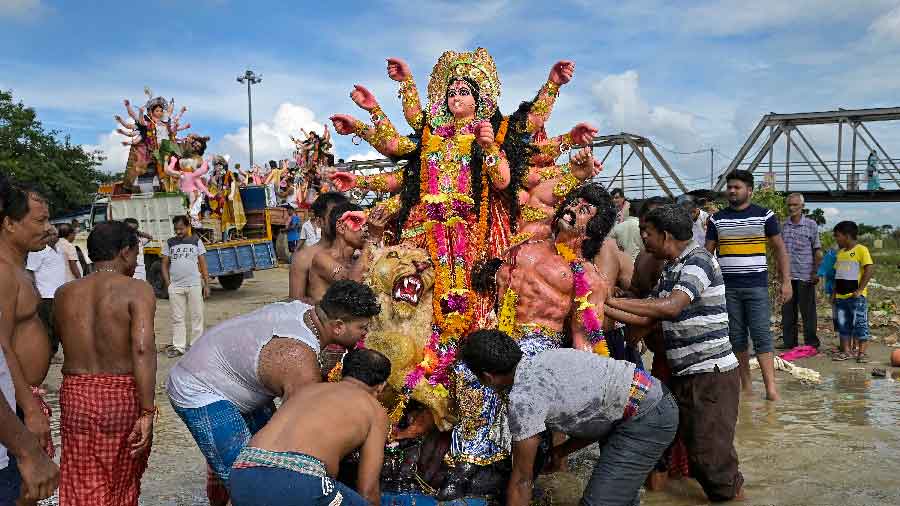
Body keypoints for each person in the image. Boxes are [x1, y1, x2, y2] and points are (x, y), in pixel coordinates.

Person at [448, 183, 617, 498]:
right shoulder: (530, 235)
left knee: (519, 384)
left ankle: (510, 472)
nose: (573, 208)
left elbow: (586, 336)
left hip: (540, 341)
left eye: (584, 210)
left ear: (593, 230)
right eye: (574, 201)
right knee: (463, 371)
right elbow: (537, 191)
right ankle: (466, 464)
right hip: (500, 327)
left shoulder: (587, 277)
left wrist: (588, 385)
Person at [166, 280, 380, 503]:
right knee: (247, 475)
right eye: (361, 328)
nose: (364, 335)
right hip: (199, 387)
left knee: (267, 457)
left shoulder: (304, 308)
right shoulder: (301, 364)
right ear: (337, 326)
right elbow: (301, 439)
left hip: (230, 376)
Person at [607, 204, 745, 502]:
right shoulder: (672, 268)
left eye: (648, 233)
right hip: (687, 372)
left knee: (712, 458)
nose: (643, 238)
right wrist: (608, 314)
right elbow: (648, 316)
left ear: (666, 235)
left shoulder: (699, 262)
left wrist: (607, 303)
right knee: (697, 453)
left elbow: (669, 307)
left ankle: (735, 498)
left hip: (710, 373)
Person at [460, 330, 677, 506]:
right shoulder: (545, 358)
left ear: (487, 377)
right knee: (618, 497)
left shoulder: (523, 400)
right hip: (648, 403)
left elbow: (521, 481)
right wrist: (561, 452)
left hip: (647, 416)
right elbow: (598, 416)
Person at [54, 221, 157, 506]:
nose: (137, 262)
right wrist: (148, 411)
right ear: (125, 252)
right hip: (119, 394)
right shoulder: (137, 290)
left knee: (79, 478)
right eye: (136, 254)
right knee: (120, 481)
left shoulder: (64, 293)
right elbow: (142, 348)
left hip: (75, 393)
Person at [229, 349, 390, 506]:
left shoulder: (307, 390)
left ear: (342, 372)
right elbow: (368, 491)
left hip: (243, 474)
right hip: (299, 482)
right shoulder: (374, 409)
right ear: (382, 386)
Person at [706, 169, 791, 401]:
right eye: (730, 187)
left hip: (757, 287)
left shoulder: (765, 215)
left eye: (737, 187)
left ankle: (771, 390)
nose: (732, 191)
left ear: (749, 191)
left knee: (762, 336)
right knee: (737, 338)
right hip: (728, 289)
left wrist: (786, 282)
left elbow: (780, 249)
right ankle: (746, 387)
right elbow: (708, 254)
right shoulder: (716, 219)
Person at [0, 178, 58, 505]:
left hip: (18, 400)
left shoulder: (19, 265)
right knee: (19, 489)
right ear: (8, 223)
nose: (47, 228)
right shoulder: (4, 272)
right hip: (12, 405)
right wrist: (31, 409)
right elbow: (1, 346)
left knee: (27, 490)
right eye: (39, 221)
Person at [294, 201, 370, 305]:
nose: (366, 229)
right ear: (341, 227)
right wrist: (372, 239)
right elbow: (353, 287)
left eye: (367, 224)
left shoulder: (357, 260)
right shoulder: (322, 258)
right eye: (360, 223)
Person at [161, 215, 209, 357]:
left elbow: (202, 264)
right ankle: (179, 346)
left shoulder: (196, 241)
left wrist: (206, 284)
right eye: (176, 229)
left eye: (181, 229)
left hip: (194, 284)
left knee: (197, 316)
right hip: (176, 286)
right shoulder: (170, 242)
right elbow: (164, 265)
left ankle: (196, 346)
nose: (178, 232)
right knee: (177, 318)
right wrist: (168, 283)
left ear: (188, 227)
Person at [779, 193, 821, 350]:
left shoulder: (811, 225)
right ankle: (790, 342)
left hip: (805, 275)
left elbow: (817, 251)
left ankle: (811, 343)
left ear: (802, 206)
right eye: (789, 205)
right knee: (788, 311)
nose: (792, 208)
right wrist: (781, 276)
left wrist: (816, 272)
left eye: (795, 205)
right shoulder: (783, 226)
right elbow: (780, 253)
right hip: (788, 276)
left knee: (808, 312)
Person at [289, 192, 349, 302]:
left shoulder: (356, 253)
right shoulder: (303, 258)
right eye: (334, 216)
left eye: (345, 216)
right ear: (319, 221)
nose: (341, 222)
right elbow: (295, 303)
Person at [831, 221, 875, 363]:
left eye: (837, 236)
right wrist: (834, 294)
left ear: (847, 236)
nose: (836, 239)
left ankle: (862, 353)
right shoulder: (840, 254)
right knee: (843, 325)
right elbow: (838, 275)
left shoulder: (861, 250)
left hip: (856, 297)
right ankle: (847, 351)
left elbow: (869, 269)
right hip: (841, 298)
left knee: (860, 324)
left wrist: (860, 289)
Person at [25, 226, 66, 356]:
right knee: (47, 327)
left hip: (59, 294)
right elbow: (30, 271)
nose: (56, 236)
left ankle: (52, 351)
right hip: (45, 295)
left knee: (57, 326)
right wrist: (35, 291)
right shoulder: (38, 251)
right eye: (52, 234)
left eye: (56, 234)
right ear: (45, 236)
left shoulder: (58, 250)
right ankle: (47, 353)